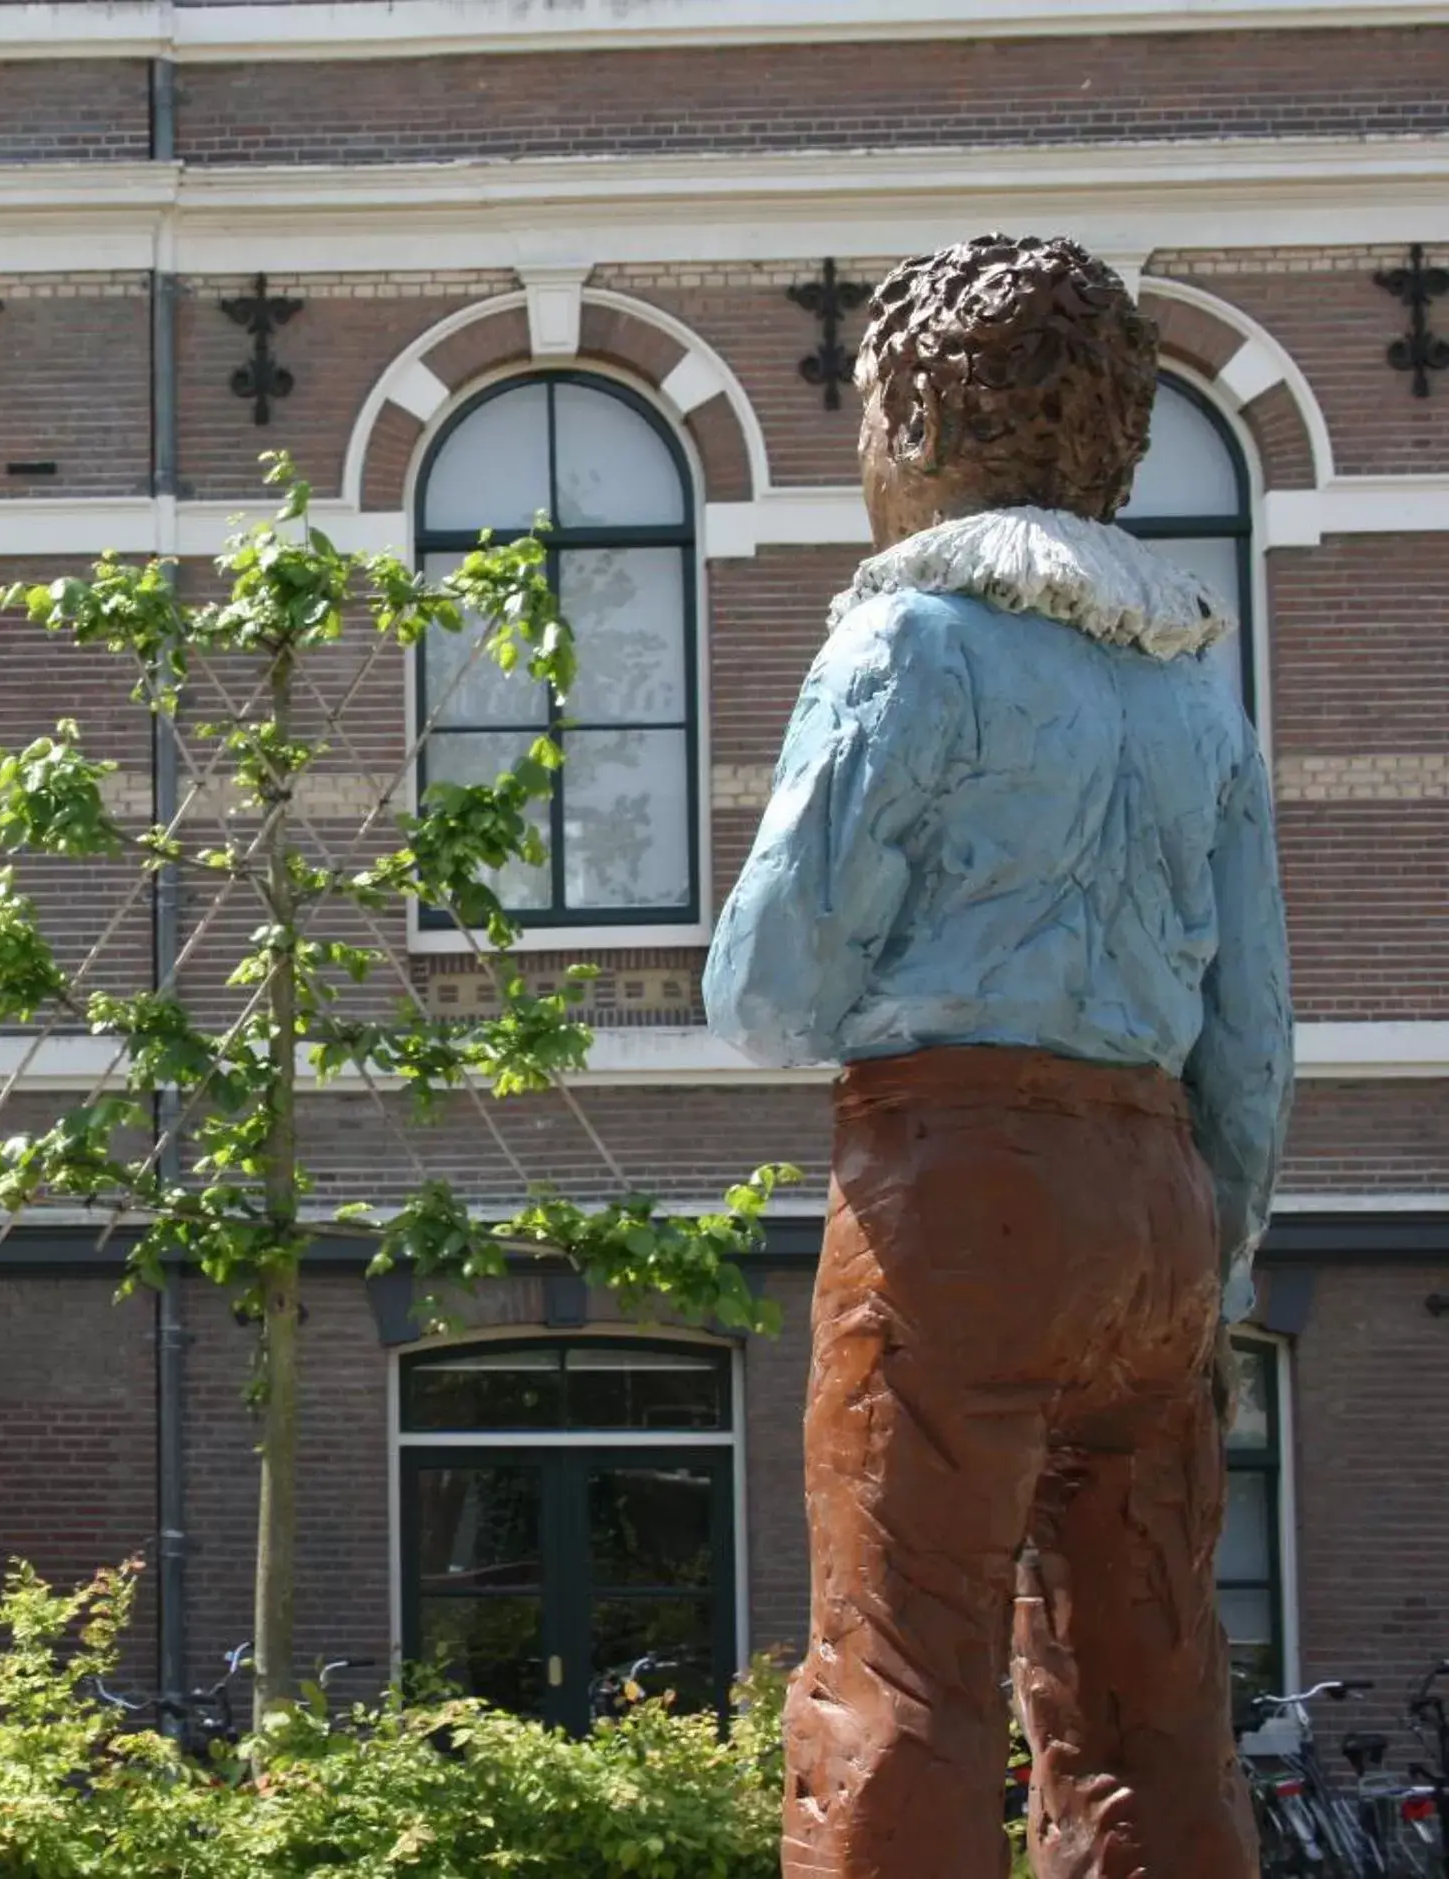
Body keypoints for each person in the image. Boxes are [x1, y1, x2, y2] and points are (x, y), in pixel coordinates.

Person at [704, 234, 1290, 1879]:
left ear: (908, 423)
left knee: (902, 1667)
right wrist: (1210, 1257)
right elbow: (1254, 1038)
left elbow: (762, 985)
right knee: (1154, 1688)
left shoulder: (912, 643)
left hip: (956, 1189)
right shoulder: (1201, 696)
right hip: (1162, 1209)